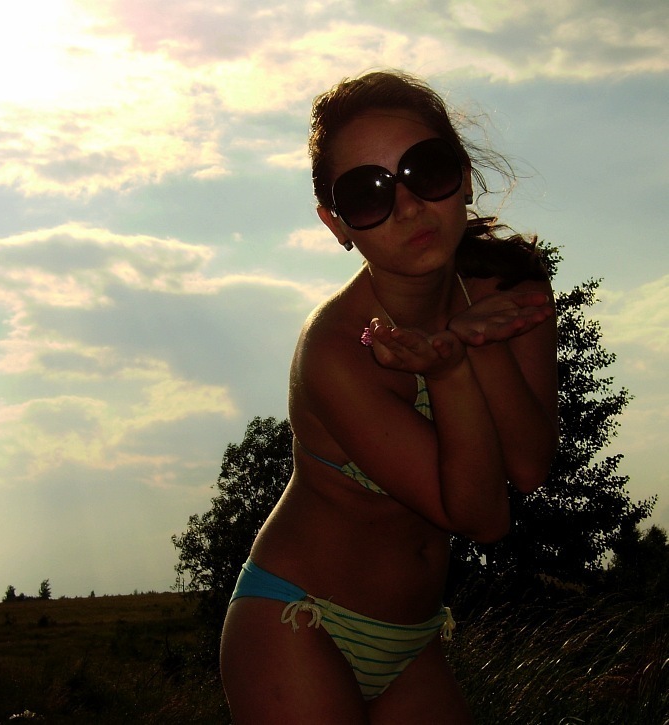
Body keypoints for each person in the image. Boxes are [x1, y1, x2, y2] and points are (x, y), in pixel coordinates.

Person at [220, 70, 559, 723]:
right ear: (336, 224)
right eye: (367, 193)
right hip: (299, 623)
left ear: (463, 175)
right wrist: (452, 368)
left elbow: (529, 465)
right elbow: (481, 517)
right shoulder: (337, 351)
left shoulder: (507, 286)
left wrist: (475, 341)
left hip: (414, 639)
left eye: (424, 170)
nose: (407, 206)